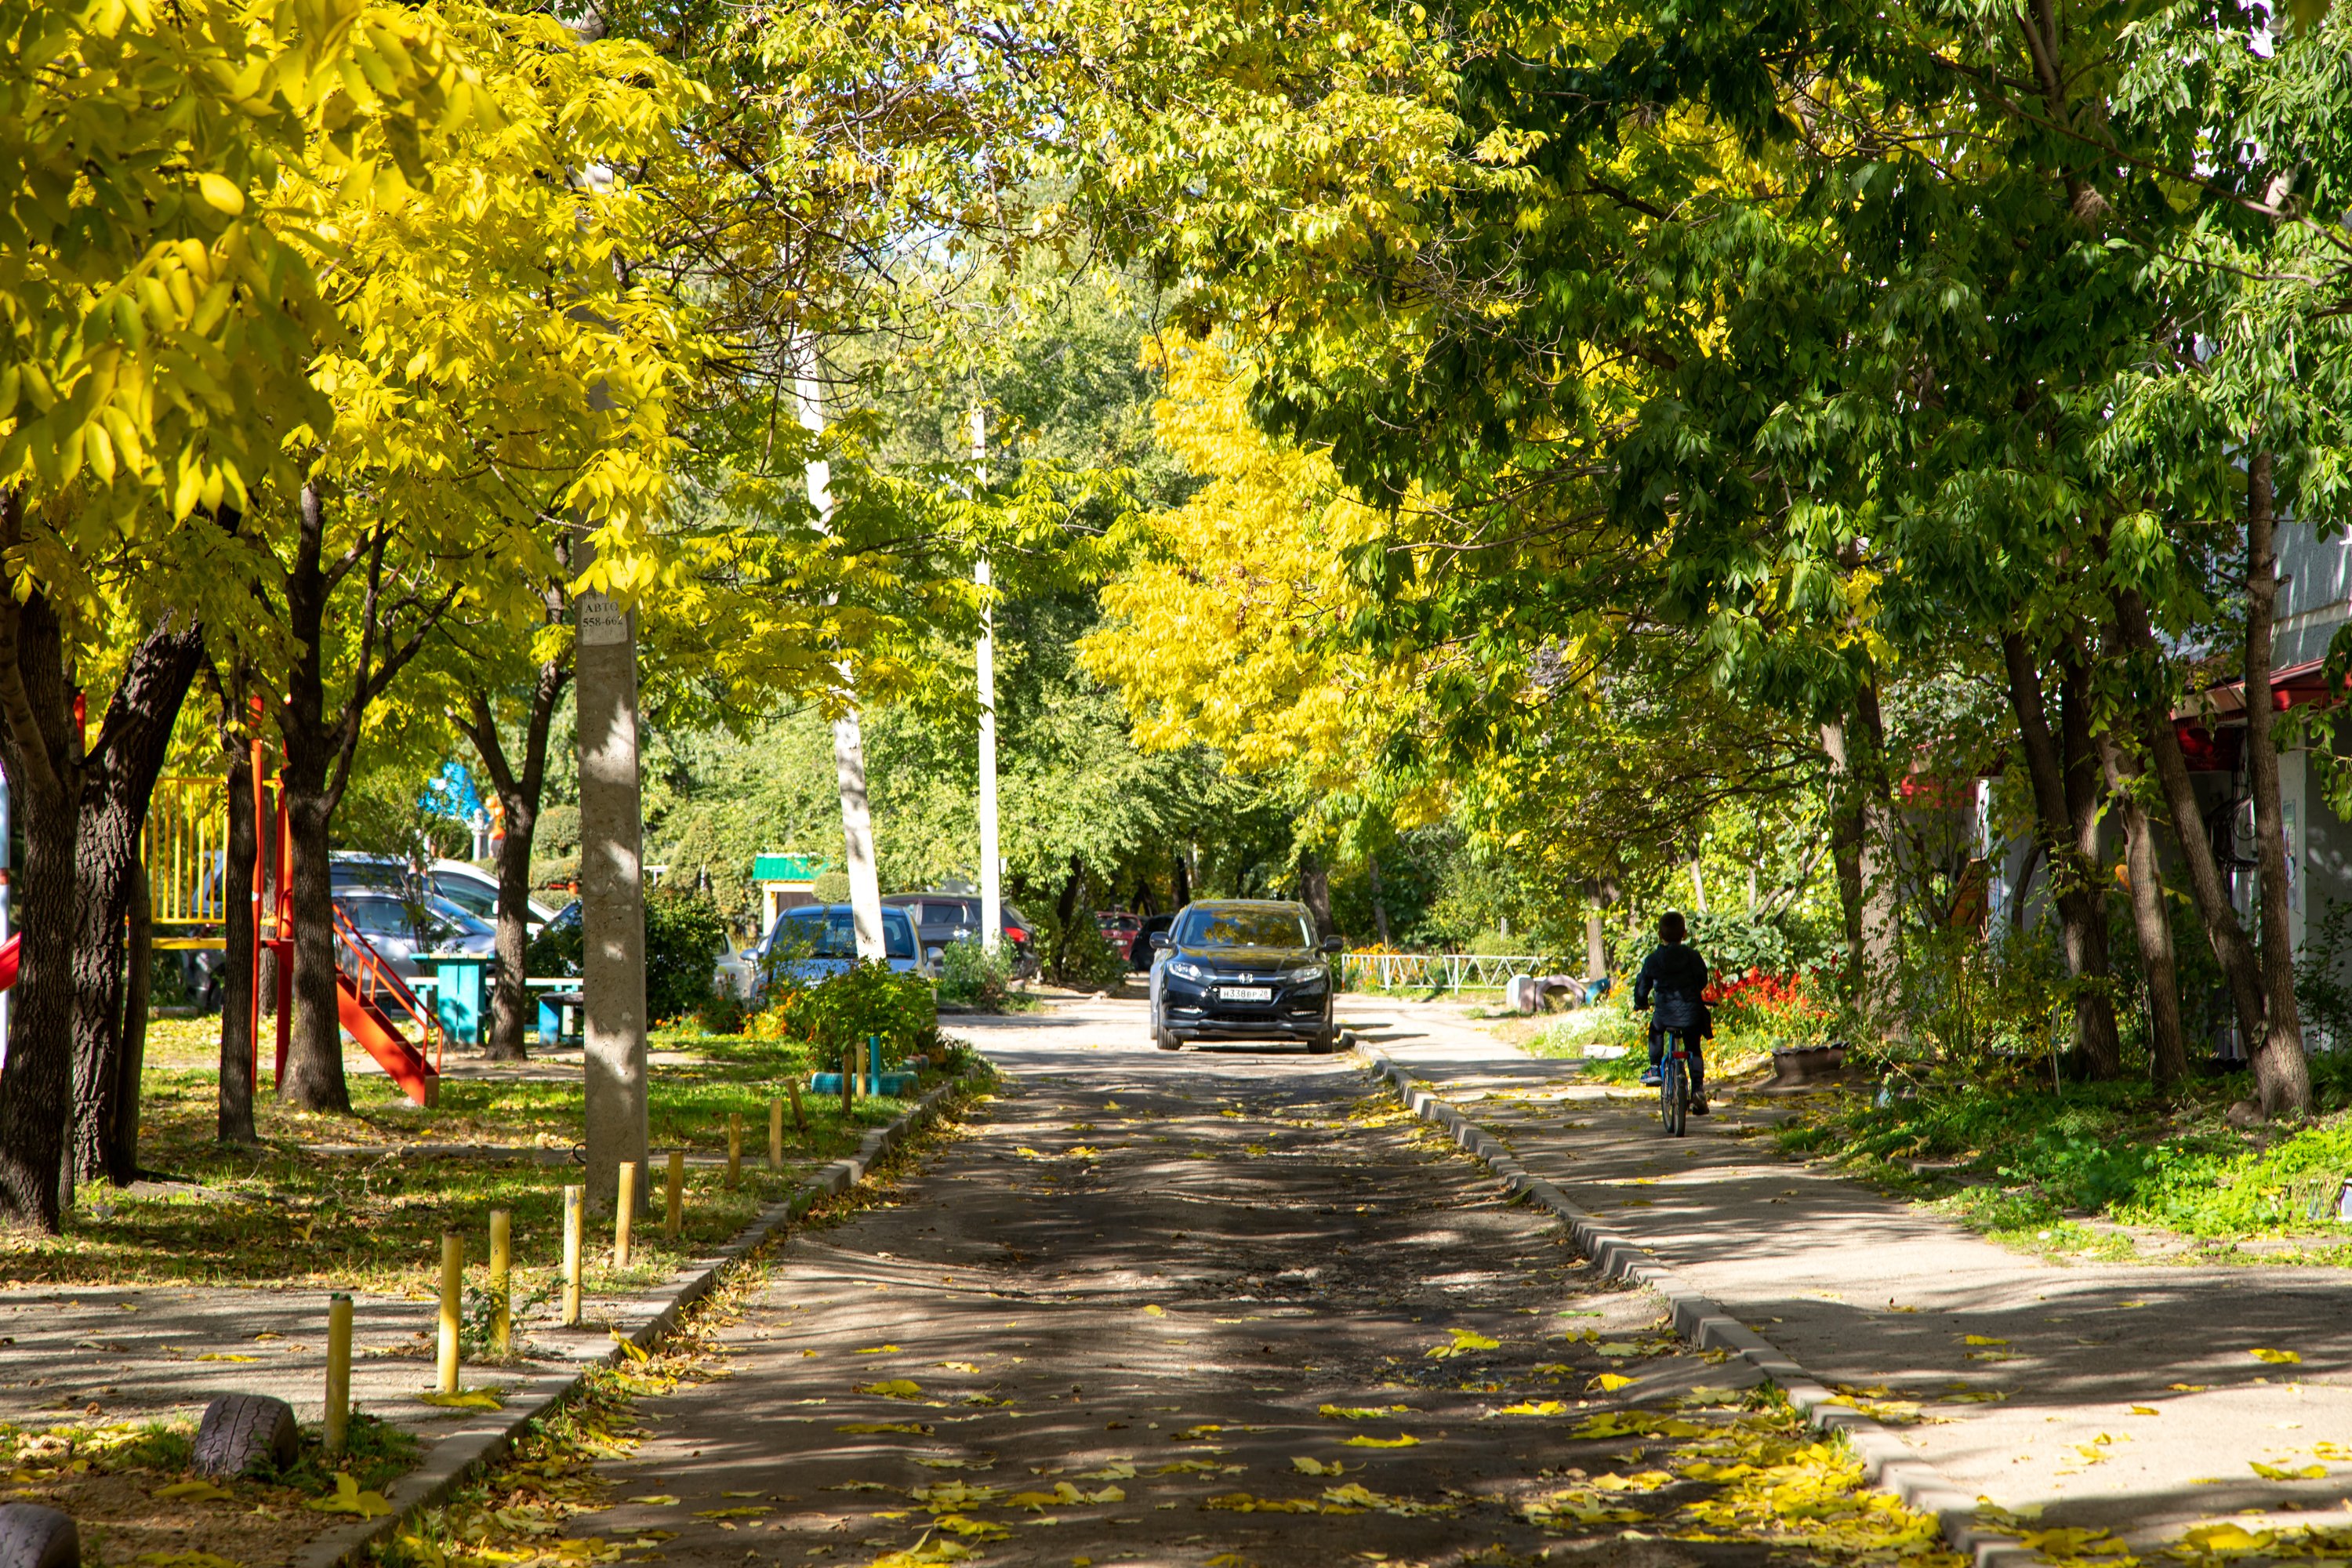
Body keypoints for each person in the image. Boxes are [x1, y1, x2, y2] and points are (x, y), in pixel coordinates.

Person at [1633, 910, 1710, 1114]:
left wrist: (1640, 1002)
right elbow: (1702, 979)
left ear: (1660, 935)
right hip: (1692, 1012)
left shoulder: (1653, 960)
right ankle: (1698, 1088)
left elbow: (1642, 986)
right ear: (1684, 934)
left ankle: (1655, 1068)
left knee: (1656, 1029)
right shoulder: (1692, 956)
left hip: (1664, 1013)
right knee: (1693, 1047)